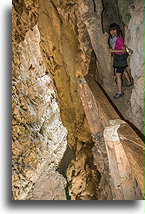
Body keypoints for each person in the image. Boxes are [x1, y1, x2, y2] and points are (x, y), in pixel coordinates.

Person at [108, 23, 132, 99]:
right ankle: (129, 82)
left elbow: (123, 50)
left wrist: (113, 50)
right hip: (117, 57)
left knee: (118, 74)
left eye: (114, 30)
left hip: (121, 57)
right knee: (123, 70)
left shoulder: (119, 39)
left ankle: (120, 92)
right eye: (111, 30)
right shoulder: (112, 38)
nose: (113, 32)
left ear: (117, 30)